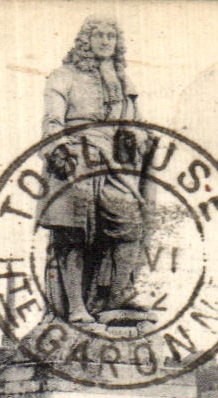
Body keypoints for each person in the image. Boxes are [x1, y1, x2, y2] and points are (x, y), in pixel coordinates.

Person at [39, 17, 150, 328]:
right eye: (98, 35)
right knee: (72, 230)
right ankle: (75, 307)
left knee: (129, 220)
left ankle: (116, 296)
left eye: (111, 36)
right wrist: (56, 149)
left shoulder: (122, 81)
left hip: (114, 161)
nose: (104, 41)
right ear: (85, 41)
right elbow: (52, 118)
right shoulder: (65, 76)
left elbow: (135, 122)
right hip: (75, 155)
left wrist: (138, 136)